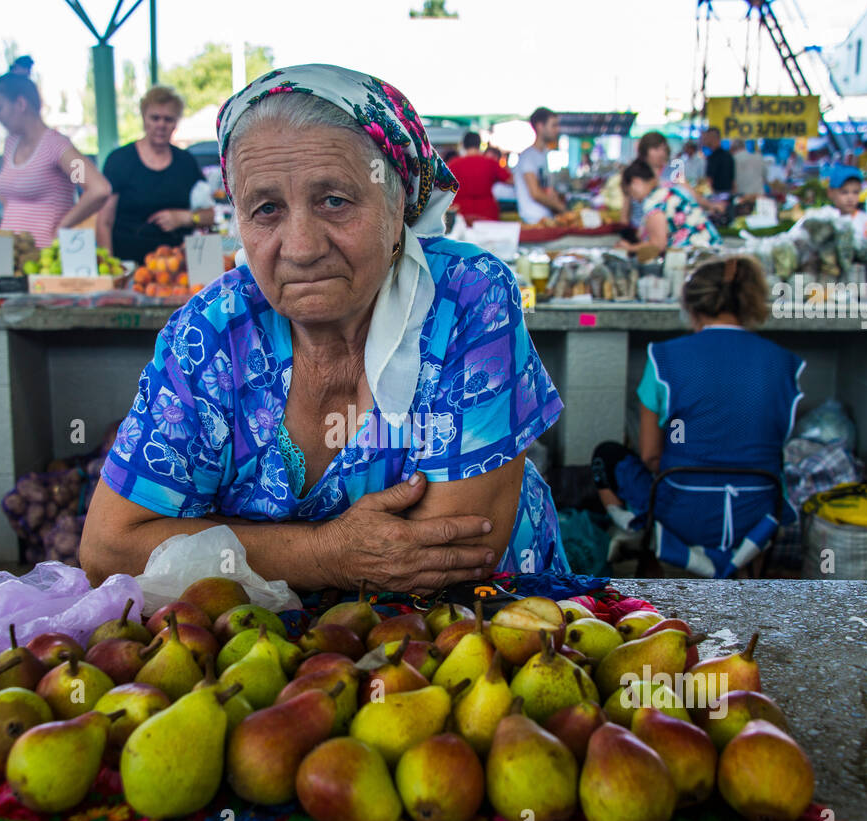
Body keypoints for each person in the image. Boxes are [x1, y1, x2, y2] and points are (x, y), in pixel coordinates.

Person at [79, 63, 569, 593]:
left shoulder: (466, 299)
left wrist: (231, 547)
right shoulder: (213, 331)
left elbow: (451, 558)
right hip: (273, 660)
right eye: (266, 208)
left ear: (399, 199)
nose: (302, 247)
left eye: (334, 201)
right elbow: (110, 548)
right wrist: (327, 554)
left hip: (480, 640)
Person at [591, 255, 803, 578]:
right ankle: (746, 573)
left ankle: (643, 539)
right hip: (759, 512)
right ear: (749, 299)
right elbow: (771, 442)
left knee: (605, 456)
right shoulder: (786, 364)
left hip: (682, 512)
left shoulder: (663, 358)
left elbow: (650, 457)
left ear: (692, 305)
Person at [0, 59, 111, 247]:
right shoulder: (10, 144)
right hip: (5, 255)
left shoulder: (57, 147)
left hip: (42, 256)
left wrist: (62, 227)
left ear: (21, 104)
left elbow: (97, 189)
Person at [96, 85, 215, 263]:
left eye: (168, 119)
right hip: (129, 265)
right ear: (144, 119)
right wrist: (111, 269)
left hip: (177, 270)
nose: (161, 124)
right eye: (155, 118)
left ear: (176, 123)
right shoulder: (119, 160)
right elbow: (104, 222)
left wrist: (186, 218)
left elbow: (210, 216)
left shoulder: (186, 162)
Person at [617, 159, 720, 255]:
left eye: (629, 192)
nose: (634, 199)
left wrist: (629, 248)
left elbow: (658, 245)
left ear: (636, 182)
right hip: (713, 250)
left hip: (697, 257)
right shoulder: (670, 188)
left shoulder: (654, 201)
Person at [793, 164, 867, 240]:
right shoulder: (821, 215)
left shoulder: (865, 220)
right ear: (830, 192)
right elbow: (795, 235)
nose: (850, 198)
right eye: (844, 192)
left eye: (855, 192)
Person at [513, 107, 566, 224]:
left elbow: (544, 188)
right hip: (533, 220)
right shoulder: (528, 157)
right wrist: (560, 207)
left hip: (545, 218)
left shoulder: (543, 154)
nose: (557, 129)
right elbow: (535, 193)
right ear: (540, 126)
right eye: (553, 125)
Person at [447, 131, 511, 222]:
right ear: (479, 144)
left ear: (464, 145)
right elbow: (510, 180)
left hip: (462, 214)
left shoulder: (453, 164)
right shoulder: (491, 163)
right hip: (488, 213)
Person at [625, 132, 673, 228]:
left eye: (663, 149)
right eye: (656, 149)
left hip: (665, 229)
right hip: (640, 227)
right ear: (644, 151)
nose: (661, 153)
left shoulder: (672, 171)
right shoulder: (634, 171)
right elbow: (626, 204)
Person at [701, 127, 734, 208]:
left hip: (716, 197)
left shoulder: (713, 157)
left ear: (712, 138)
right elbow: (733, 182)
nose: (704, 140)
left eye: (706, 138)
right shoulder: (728, 155)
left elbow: (709, 180)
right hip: (728, 195)